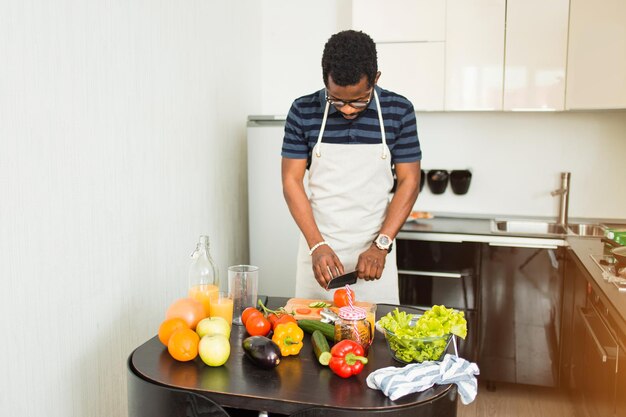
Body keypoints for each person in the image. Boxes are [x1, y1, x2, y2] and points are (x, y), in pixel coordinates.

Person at [281, 30, 421, 304]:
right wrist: (317, 246)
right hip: (319, 256)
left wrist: (381, 245)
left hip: (374, 257)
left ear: (376, 79)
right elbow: (291, 181)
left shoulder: (398, 111)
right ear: (325, 81)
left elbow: (410, 182)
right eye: (336, 100)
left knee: (375, 341)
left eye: (359, 99)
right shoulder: (303, 111)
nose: (346, 110)